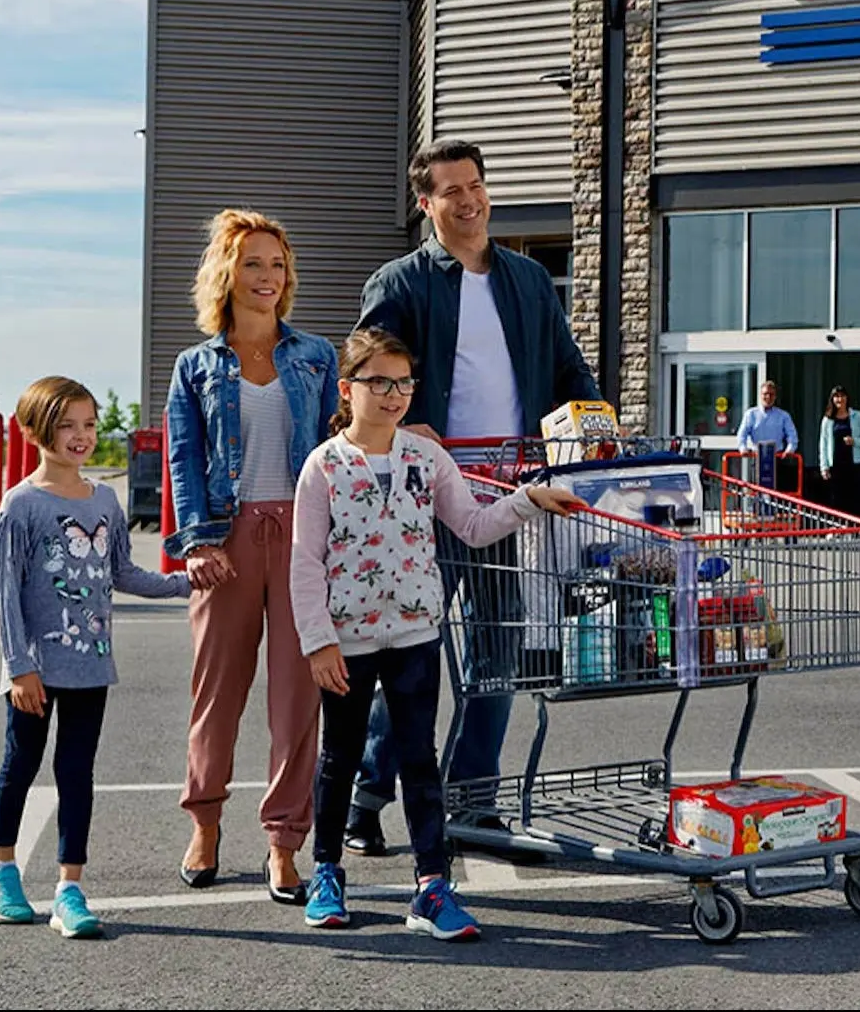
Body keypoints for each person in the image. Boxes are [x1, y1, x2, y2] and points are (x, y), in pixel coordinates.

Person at [345, 137, 601, 859]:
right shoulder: (400, 283)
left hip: (508, 499)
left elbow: (567, 370)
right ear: (425, 204)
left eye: (476, 184)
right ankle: (366, 795)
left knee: (497, 653)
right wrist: (405, 419)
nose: (468, 199)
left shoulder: (526, 281)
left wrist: (599, 430)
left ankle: (473, 804)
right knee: (414, 657)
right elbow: (364, 369)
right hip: (428, 499)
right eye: (450, 189)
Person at [290, 329, 585, 937]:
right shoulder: (323, 467)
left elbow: (473, 525)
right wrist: (317, 640)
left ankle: (432, 886)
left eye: (403, 383)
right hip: (346, 642)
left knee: (419, 759)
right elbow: (305, 561)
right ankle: (326, 871)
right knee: (338, 757)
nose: (394, 395)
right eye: (379, 383)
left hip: (417, 636)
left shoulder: (427, 459)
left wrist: (529, 500)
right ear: (348, 389)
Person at [164, 210, 338, 904]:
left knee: (298, 701)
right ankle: (204, 823)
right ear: (227, 274)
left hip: (303, 539)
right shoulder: (195, 365)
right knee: (217, 693)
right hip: (226, 539)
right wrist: (197, 543)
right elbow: (183, 458)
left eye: (278, 264)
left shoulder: (318, 356)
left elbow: (337, 449)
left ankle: (284, 841)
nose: (269, 277)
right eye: (254, 264)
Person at [0, 376, 192, 937]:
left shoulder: (104, 499)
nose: (81, 436)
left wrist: (184, 584)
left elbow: (122, 571)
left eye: (90, 425)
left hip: (90, 665)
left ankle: (70, 888)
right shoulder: (20, 507)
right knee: (20, 765)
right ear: (35, 431)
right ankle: (1, 870)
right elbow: (4, 596)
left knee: (76, 773)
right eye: (66, 425)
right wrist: (19, 665)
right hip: (35, 668)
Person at [818, 387, 860, 518]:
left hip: (854, 463)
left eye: (842, 396)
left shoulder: (857, 416)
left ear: (847, 398)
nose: (840, 399)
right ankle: (837, 528)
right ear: (832, 399)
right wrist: (823, 467)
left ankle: (856, 528)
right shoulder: (827, 420)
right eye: (836, 396)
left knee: (855, 497)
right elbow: (823, 444)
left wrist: (855, 441)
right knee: (836, 497)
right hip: (835, 464)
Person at [736, 380, 799, 485]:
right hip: (757, 460)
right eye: (765, 394)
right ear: (760, 395)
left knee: (776, 497)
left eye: (771, 394)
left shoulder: (783, 416)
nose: (768, 397)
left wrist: (790, 450)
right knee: (756, 495)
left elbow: (792, 436)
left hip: (777, 460)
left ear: (775, 397)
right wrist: (743, 448)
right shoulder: (751, 414)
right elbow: (742, 435)